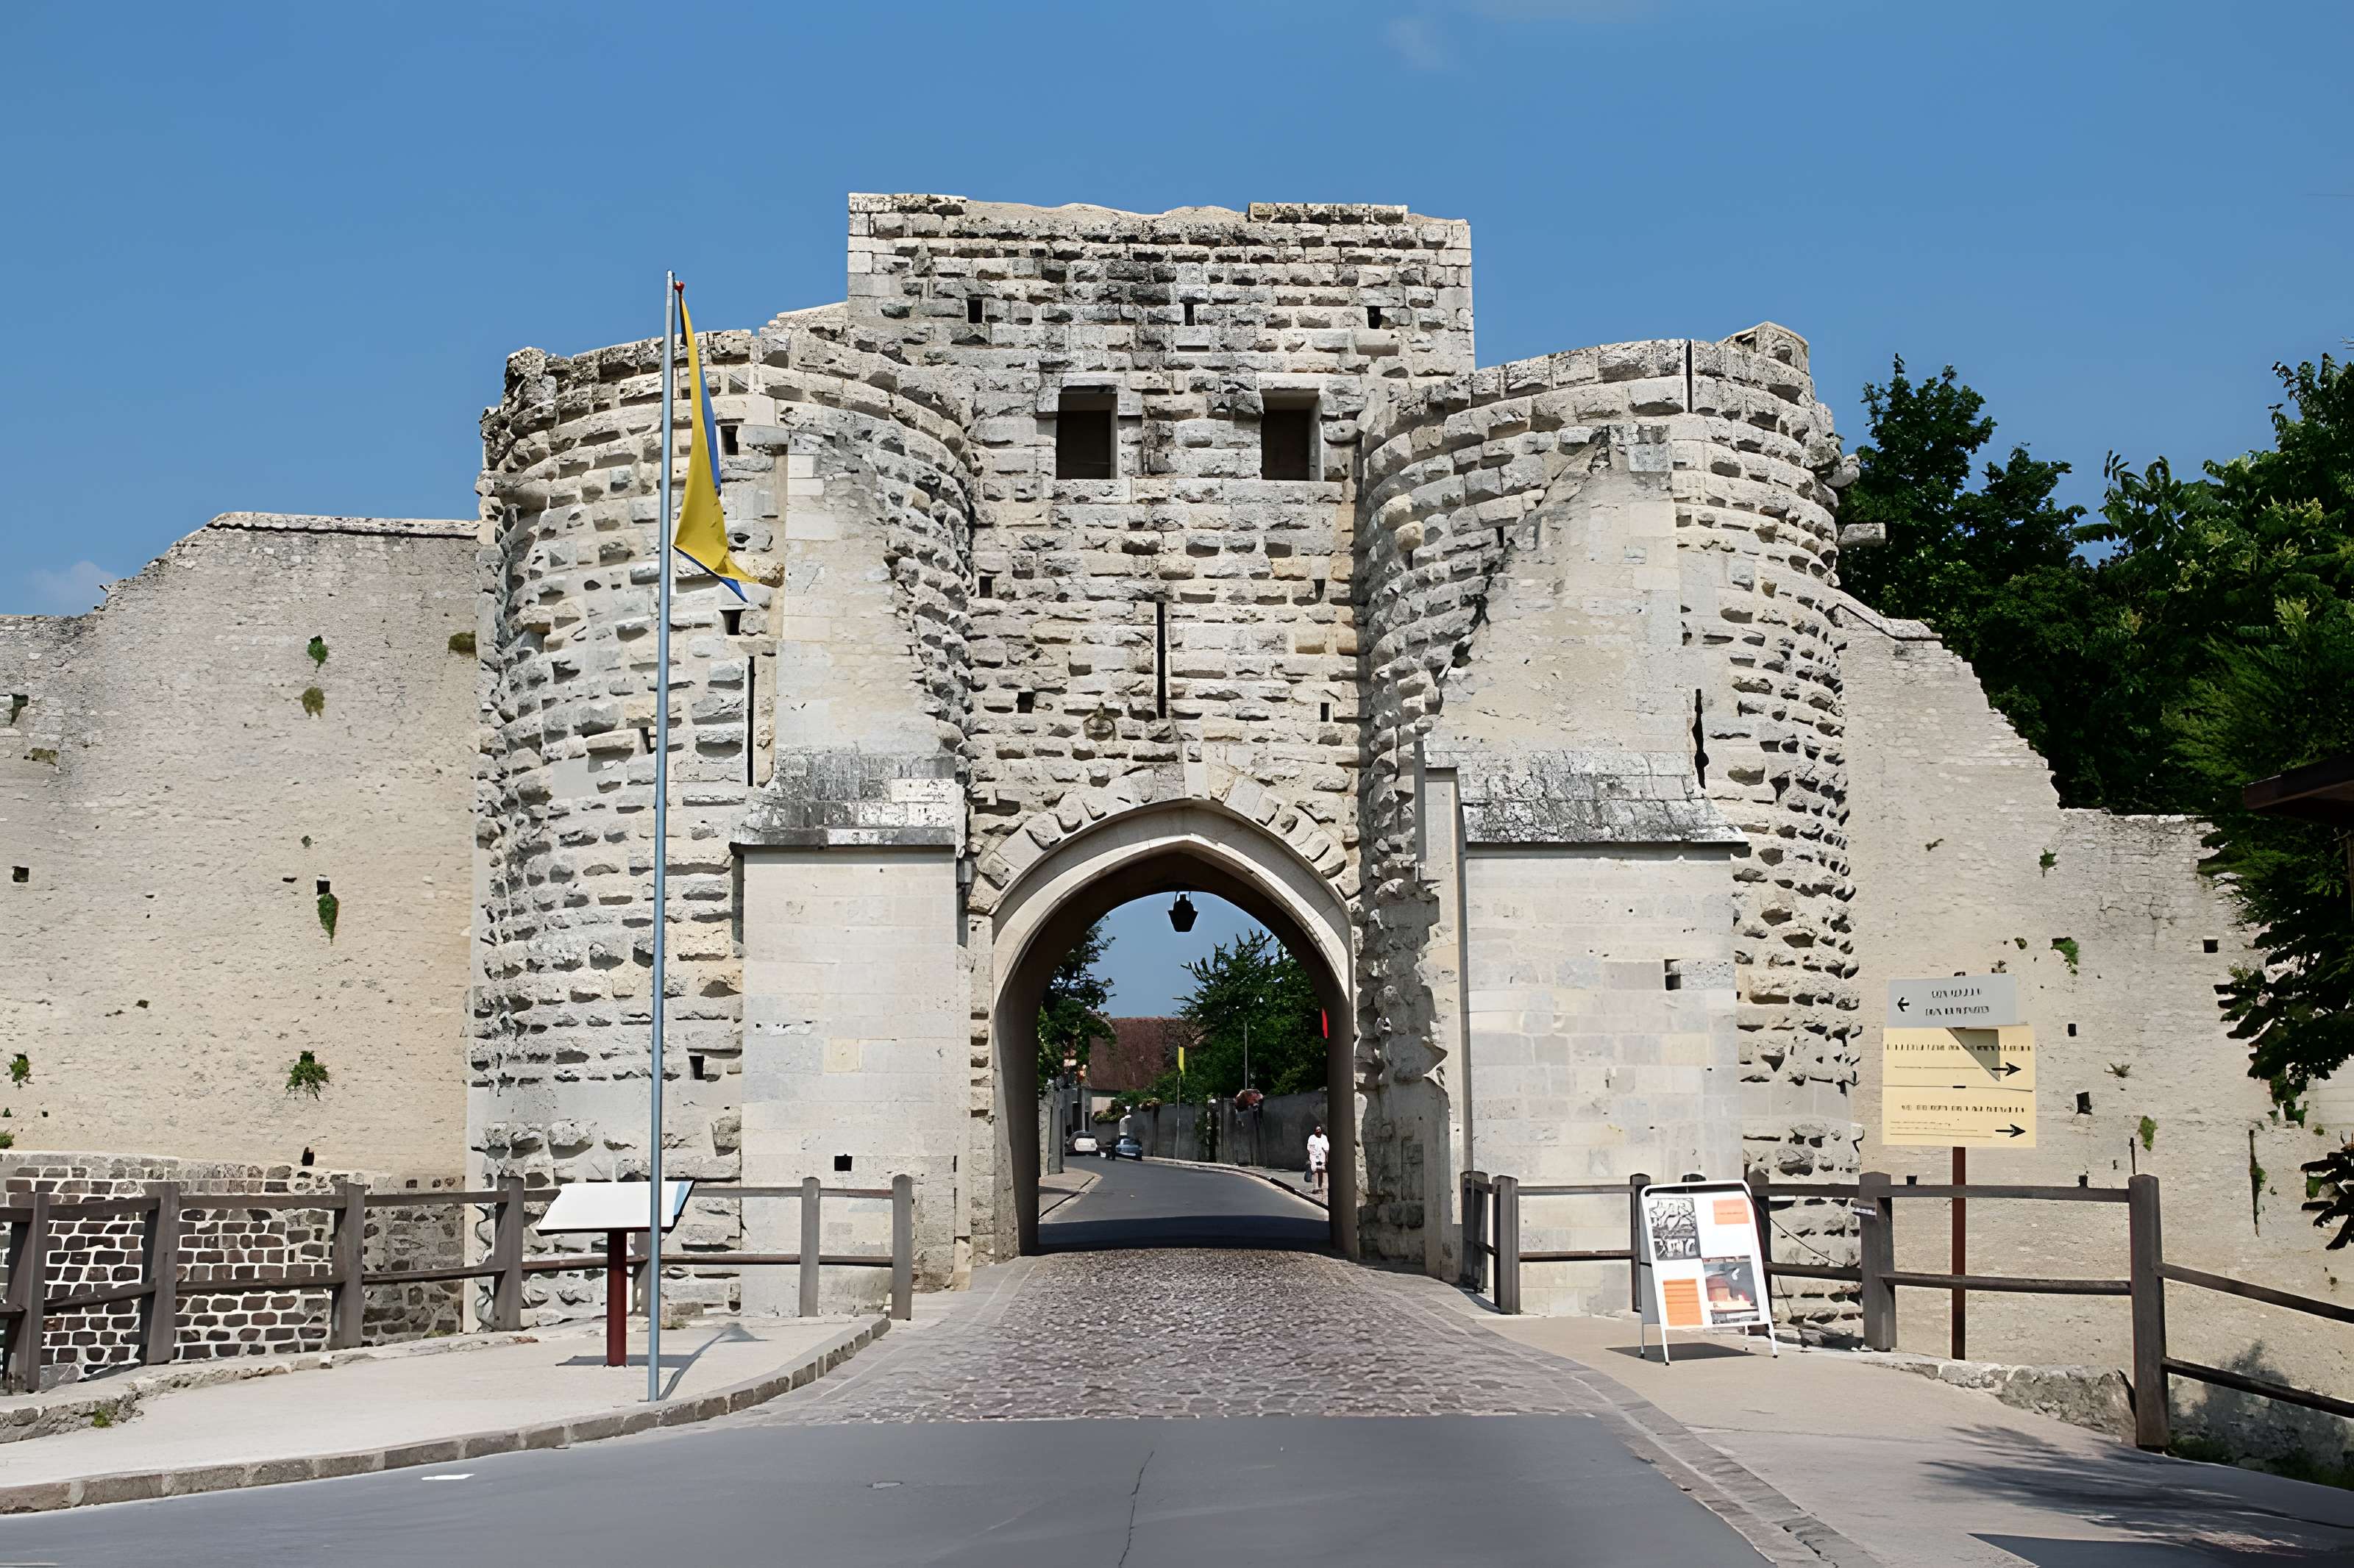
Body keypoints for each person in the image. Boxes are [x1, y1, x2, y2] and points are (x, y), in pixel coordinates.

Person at [1305, 1123, 1330, 1196]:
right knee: (1316, 1172)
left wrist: (1327, 1156)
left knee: (1323, 1172)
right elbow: (1309, 1148)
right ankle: (1317, 1188)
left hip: (1322, 1157)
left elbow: (1326, 1148)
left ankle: (1323, 1188)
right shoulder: (1312, 1138)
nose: (1318, 1132)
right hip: (1314, 1157)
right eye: (1317, 1130)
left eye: (1320, 1130)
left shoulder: (1324, 1138)